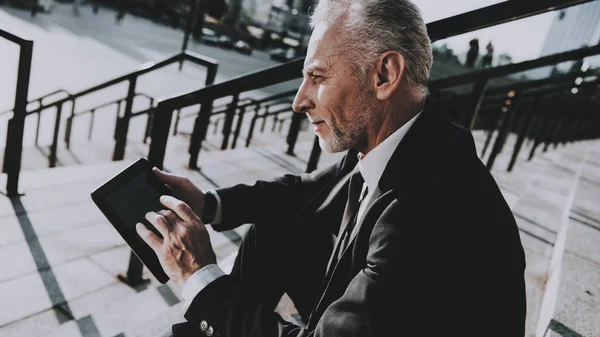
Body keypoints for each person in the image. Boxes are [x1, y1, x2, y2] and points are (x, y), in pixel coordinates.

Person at [137, 0, 527, 336]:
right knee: (276, 222)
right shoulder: (406, 138)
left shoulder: (426, 208)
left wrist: (199, 276)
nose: (299, 101)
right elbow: (300, 189)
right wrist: (208, 204)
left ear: (384, 75)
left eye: (317, 76)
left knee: (244, 260)